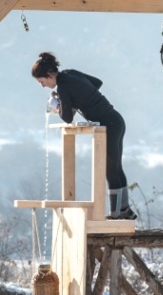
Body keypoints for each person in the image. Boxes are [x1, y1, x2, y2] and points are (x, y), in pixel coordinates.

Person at [32, 52, 136, 220]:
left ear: (49, 75)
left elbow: (66, 117)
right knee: (116, 167)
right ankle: (124, 210)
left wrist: (57, 104)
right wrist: (79, 99)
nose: (42, 86)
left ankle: (119, 213)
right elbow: (97, 83)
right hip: (116, 120)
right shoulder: (70, 73)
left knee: (111, 170)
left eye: (41, 81)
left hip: (108, 125)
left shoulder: (63, 87)